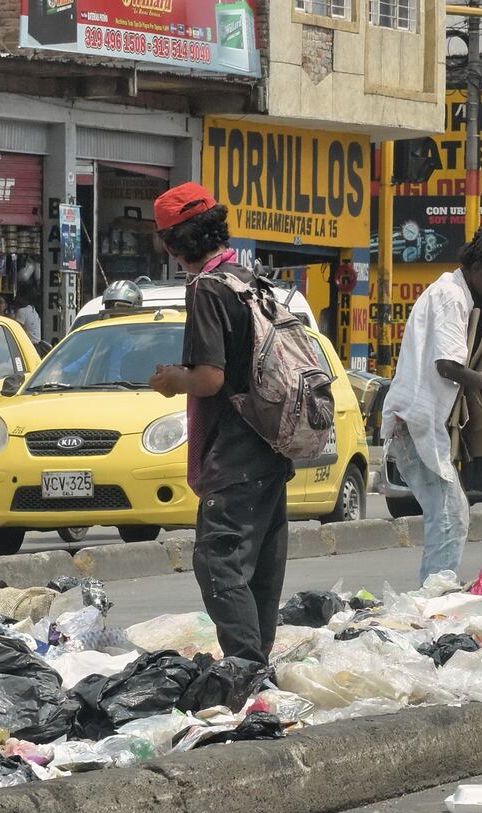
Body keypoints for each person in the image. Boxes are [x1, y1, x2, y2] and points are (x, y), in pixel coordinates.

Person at [147, 182, 289, 665]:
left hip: (232, 453)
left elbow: (209, 378)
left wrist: (173, 379)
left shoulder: (207, 289)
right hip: (270, 446)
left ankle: (246, 666)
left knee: (218, 563)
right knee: (261, 569)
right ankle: (257, 667)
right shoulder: (248, 280)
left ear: (173, 244)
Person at [381, 229, 482, 586]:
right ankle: (435, 595)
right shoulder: (451, 296)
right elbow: (447, 365)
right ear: (479, 268)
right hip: (415, 421)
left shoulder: (455, 292)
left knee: (449, 512)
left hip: (420, 422)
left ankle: (436, 590)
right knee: (449, 514)